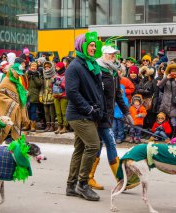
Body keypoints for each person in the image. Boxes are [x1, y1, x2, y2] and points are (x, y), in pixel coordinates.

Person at [65, 32, 105, 201]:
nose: (93, 48)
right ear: (81, 46)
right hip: (79, 115)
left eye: (95, 46)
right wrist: (88, 109)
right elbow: (72, 92)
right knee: (94, 146)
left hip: (89, 114)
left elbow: (96, 90)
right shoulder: (75, 66)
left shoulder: (90, 64)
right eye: (90, 45)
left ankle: (71, 185)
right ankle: (83, 184)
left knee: (80, 149)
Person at [89, 45, 133, 190]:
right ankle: (122, 180)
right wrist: (97, 111)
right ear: (104, 55)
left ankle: (88, 176)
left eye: (114, 54)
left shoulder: (113, 72)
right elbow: (93, 94)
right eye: (111, 54)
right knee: (110, 143)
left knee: (99, 144)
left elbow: (118, 95)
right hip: (99, 115)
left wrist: (126, 113)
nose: (113, 57)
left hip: (108, 115)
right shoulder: (98, 70)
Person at [0, 58, 30, 142]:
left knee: (17, 123)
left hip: (18, 108)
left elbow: (19, 93)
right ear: (12, 71)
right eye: (17, 73)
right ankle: (7, 137)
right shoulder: (6, 81)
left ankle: (15, 138)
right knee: (9, 122)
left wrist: (24, 94)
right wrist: (13, 103)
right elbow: (0, 96)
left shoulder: (16, 82)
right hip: (10, 107)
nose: (18, 75)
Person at [158, 63, 176, 136]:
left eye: (175, 71)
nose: (173, 73)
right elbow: (159, 86)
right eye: (172, 71)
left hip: (175, 102)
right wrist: (166, 78)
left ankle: (174, 133)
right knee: (165, 119)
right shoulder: (166, 79)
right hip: (165, 101)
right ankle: (166, 133)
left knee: (173, 119)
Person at [52, 61, 69, 134]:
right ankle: (59, 126)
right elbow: (52, 86)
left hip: (63, 96)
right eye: (56, 67)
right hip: (56, 96)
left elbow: (67, 86)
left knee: (64, 112)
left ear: (62, 67)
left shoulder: (66, 75)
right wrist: (52, 83)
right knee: (58, 112)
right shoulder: (55, 75)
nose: (57, 68)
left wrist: (61, 84)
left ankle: (65, 127)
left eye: (58, 67)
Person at [27, 61, 43, 132]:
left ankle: (33, 126)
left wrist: (35, 77)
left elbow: (40, 83)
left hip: (34, 95)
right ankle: (27, 124)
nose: (33, 68)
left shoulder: (38, 74)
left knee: (33, 111)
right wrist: (29, 75)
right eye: (32, 66)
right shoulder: (27, 73)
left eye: (35, 66)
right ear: (30, 67)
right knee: (27, 111)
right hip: (27, 95)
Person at [40, 61, 56, 132]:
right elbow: (42, 87)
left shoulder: (54, 76)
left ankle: (52, 126)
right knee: (46, 112)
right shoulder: (44, 76)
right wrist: (40, 95)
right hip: (45, 96)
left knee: (52, 112)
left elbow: (56, 87)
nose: (47, 68)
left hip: (51, 95)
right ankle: (48, 125)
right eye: (45, 67)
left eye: (48, 67)